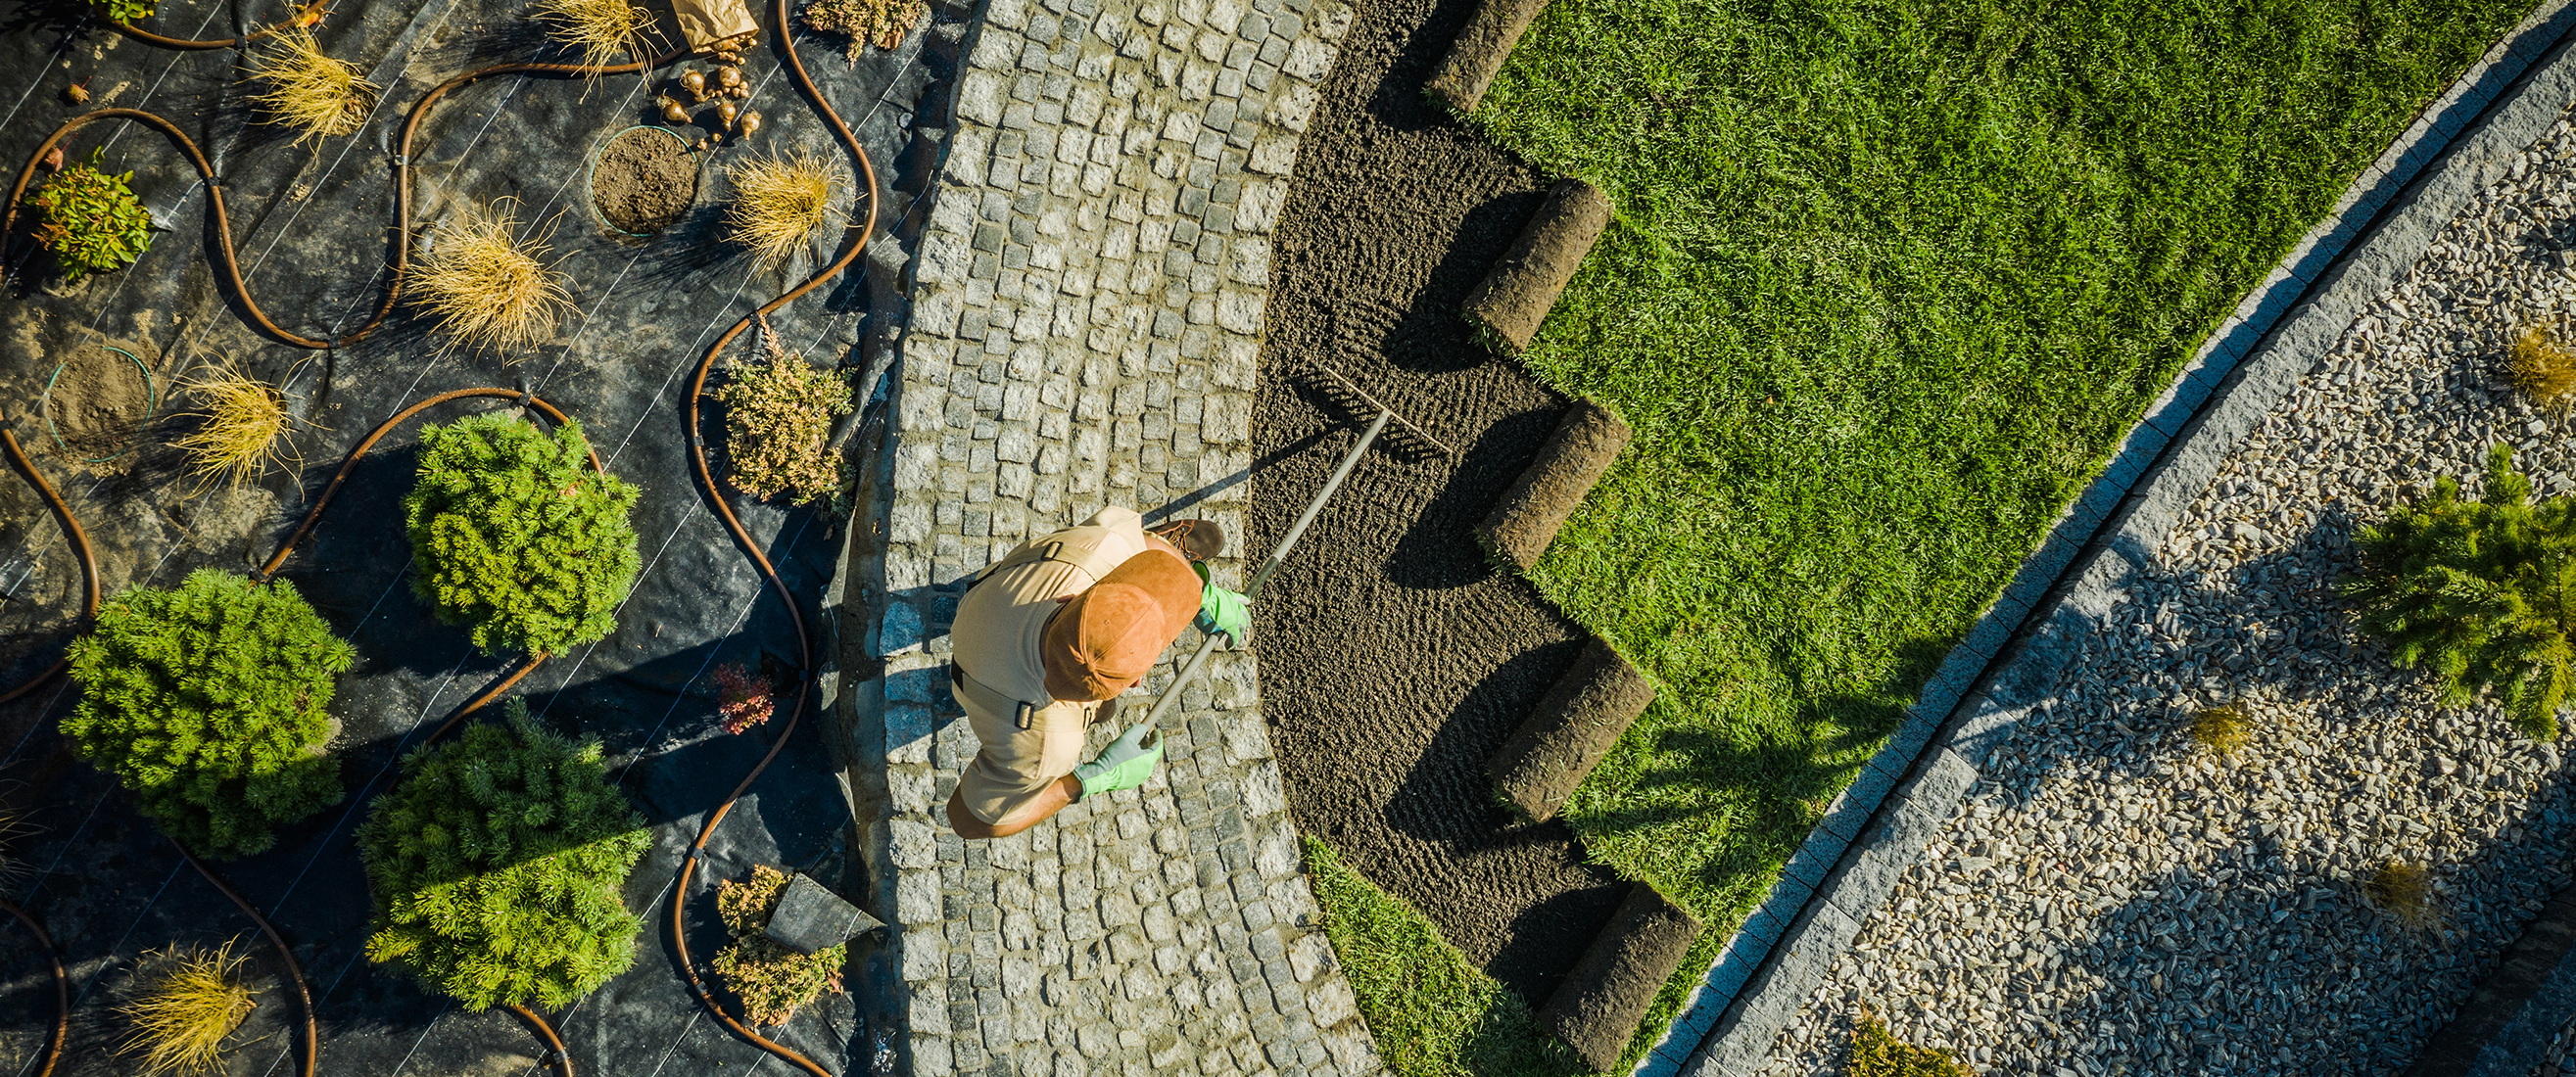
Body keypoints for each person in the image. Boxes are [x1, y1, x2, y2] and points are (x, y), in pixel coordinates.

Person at [943, 507, 1251, 838]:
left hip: (985, 607)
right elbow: (966, 821)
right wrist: (1086, 780)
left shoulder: (1098, 550)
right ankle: (1096, 705)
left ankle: (1097, 702)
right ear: (1136, 681)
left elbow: (1142, 546)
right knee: (1102, 710)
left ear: (1070, 597)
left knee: (1138, 550)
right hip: (987, 690)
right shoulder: (1049, 749)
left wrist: (1194, 591)